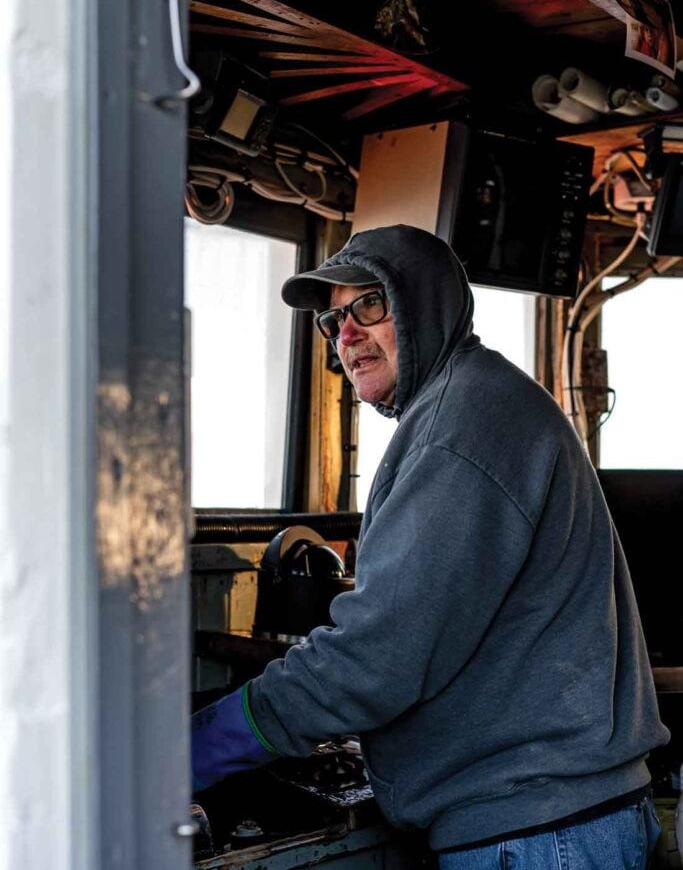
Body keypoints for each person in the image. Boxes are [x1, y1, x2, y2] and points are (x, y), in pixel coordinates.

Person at [192, 224, 668, 868]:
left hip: (536, 832)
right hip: (554, 819)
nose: (347, 336)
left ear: (425, 304)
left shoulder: (461, 431)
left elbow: (377, 659)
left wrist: (202, 745)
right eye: (333, 322)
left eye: (368, 304)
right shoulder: (469, 407)